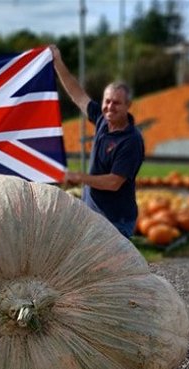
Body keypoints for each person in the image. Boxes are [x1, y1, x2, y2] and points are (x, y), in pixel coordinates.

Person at [50, 44, 145, 238]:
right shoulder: (103, 120)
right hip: (93, 216)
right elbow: (77, 94)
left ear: (128, 105)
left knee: (106, 260)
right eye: (107, 101)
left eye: (116, 103)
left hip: (115, 221)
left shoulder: (131, 141)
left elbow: (113, 182)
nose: (110, 107)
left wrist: (80, 177)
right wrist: (57, 63)